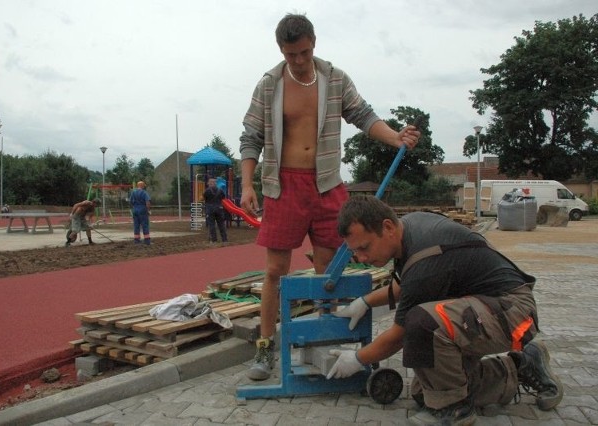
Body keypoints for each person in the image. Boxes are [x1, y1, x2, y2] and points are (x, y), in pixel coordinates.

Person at [238, 13, 420, 381]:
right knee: (275, 271)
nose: (299, 61)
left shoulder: (334, 78)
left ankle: (325, 341)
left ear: (314, 43)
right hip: (282, 186)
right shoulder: (270, 85)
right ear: (281, 51)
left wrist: (395, 137)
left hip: (325, 185)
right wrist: (245, 185)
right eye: (291, 55)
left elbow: (363, 115)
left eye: (304, 52)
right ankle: (265, 347)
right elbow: (250, 136)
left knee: (328, 270)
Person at [327, 195, 563, 425]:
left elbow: (399, 335)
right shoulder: (411, 228)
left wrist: (358, 358)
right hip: (486, 308)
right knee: (427, 393)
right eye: (354, 252)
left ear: (387, 227)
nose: (361, 257)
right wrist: (365, 302)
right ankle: (521, 367)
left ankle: (455, 410)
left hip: (514, 313)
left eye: (364, 247)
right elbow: (407, 283)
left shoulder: (425, 259)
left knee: (421, 323)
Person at [203, 177, 228, 244]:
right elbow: (223, 197)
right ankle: (224, 239)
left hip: (210, 209)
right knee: (221, 224)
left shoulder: (207, 191)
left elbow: (205, 198)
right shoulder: (220, 190)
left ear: (208, 183)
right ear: (216, 183)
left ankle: (214, 240)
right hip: (219, 208)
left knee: (212, 225)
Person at [129, 181, 152, 245]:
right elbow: (147, 202)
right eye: (144, 185)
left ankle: (137, 240)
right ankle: (147, 241)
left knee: (136, 225)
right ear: (142, 186)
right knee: (145, 225)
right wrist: (148, 210)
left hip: (135, 210)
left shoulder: (133, 192)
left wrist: (134, 208)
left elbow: (130, 202)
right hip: (142, 210)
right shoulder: (144, 193)